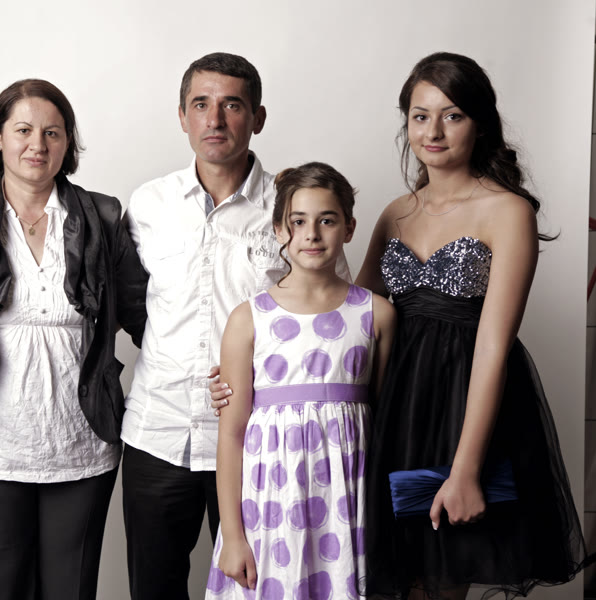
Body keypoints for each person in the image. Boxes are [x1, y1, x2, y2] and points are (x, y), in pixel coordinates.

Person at [356, 52, 589, 599]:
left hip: (464, 404)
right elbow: (353, 316)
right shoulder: (395, 212)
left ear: (480, 123)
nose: (433, 131)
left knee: (444, 577)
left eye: (452, 115)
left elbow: (493, 346)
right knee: (396, 579)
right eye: (420, 116)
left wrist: (465, 468)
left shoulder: (507, 210)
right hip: (397, 405)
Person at [0, 78, 148, 600]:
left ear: (67, 142)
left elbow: (144, 314)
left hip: (81, 443)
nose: (38, 144)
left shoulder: (102, 215)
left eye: (52, 132)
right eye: (23, 130)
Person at [121, 52, 290, 599]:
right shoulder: (148, 204)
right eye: (201, 105)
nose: (214, 119)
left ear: (257, 117)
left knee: (255, 589)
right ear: (182, 116)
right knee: (155, 590)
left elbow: (322, 310)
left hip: (256, 438)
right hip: (158, 431)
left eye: (232, 105)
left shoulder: (290, 205)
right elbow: (132, 305)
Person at [206, 162, 396, 600]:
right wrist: (233, 535)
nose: (312, 234)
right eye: (298, 222)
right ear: (278, 230)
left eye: (327, 220)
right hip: (271, 502)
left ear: (349, 228)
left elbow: (384, 417)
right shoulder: (248, 319)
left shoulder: (376, 314)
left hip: (347, 502)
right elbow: (231, 435)